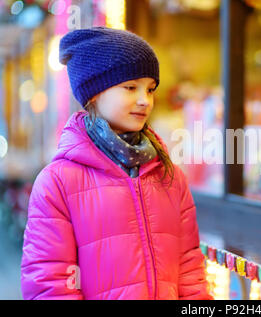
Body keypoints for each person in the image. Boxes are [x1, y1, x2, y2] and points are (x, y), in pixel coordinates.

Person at [20, 27, 212, 300]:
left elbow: (189, 268)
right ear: (94, 93)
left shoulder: (169, 176)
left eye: (150, 88)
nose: (145, 100)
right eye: (130, 87)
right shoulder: (58, 181)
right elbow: (48, 282)